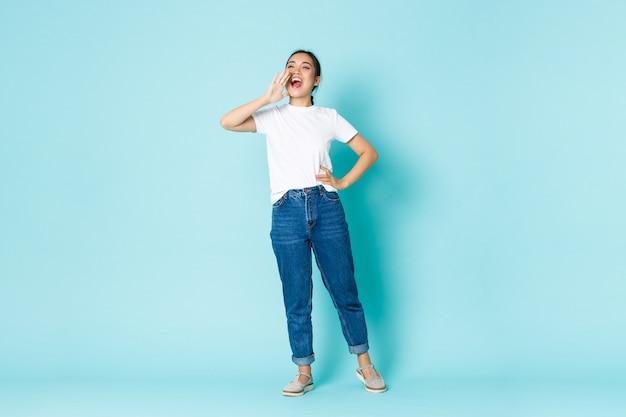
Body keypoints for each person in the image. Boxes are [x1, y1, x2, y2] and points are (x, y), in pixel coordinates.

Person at [220, 49, 386, 396]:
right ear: (285, 77)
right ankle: (303, 371)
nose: (296, 70)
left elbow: (368, 153)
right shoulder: (273, 115)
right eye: (290, 66)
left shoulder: (329, 116)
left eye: (305, 67)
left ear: (316, 81)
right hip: (286, 211)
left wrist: (341, 182)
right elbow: (228, 122)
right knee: (296, 297)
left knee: (345, 291)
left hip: (325, 206)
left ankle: (365, 365)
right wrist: (267, 97)